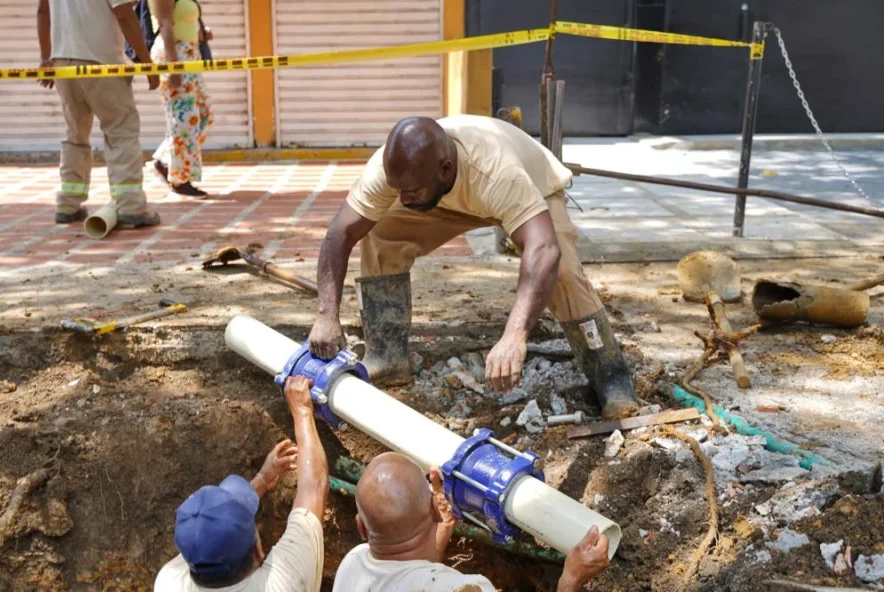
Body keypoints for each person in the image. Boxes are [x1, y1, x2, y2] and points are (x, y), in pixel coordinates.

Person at [308, 114, 638, 419]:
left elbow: (544, 249)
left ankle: (609, 374)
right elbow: (340, 234)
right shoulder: (391, 172)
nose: (403, 198)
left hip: (533, 190)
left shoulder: (496, 170)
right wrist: (326, 316)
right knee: (380, 232)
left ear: (446, 169)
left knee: (561, 268)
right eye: (398, 190)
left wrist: (514, 337)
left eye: (410, 191)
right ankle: (387, 354)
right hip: (448, 198)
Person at [332, 452, 610, 592]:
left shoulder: (351, 565)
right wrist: (570, 580)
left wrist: (440, 532)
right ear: (433, 508)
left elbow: (410, 577)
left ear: (361, 528)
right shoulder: (462, 589)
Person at [154, 375, 327, 592]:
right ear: (258, 549)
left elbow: (208, 535)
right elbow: (314, 488)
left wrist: (263, 480)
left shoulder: (169, 582)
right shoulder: (283, 582)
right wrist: (302, 410)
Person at [37, 0, 161, 227]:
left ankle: (68, 203)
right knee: (121, 132)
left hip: (63, 62)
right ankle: (130, 205)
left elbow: (44, 11)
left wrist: (46, 58)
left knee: (75, 134)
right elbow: (124, 15)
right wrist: (146, 63)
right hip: (100, 62)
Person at [149, 0, 213, 198]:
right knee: (183, 119)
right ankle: (179, 178)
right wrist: (173, 67)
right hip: (174, 55)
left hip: (189, 53)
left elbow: (181, 23)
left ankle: (164, 159)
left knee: (203, 115)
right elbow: (165, 24)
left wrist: (201, 34)